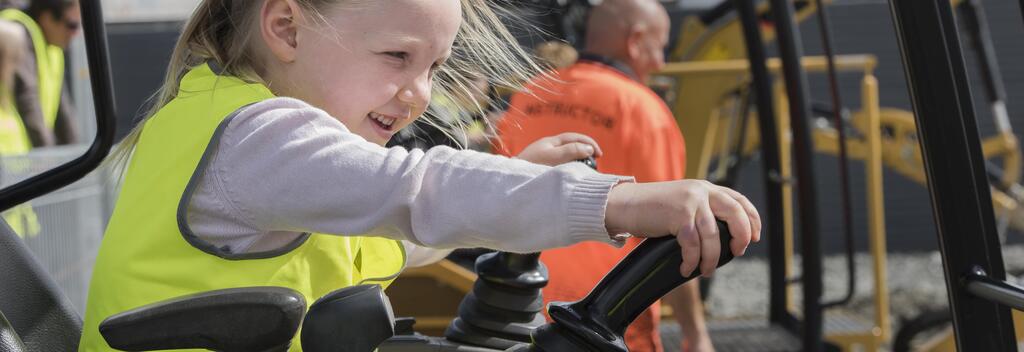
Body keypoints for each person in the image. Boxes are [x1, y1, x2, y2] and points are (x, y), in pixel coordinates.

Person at [79, 0, 761, 350]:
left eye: (433, 67)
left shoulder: (236, 126)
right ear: (285, 27)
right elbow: (416, 192)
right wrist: (620, 201)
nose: (421, 93)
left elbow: (388, 236)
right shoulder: (259, 136)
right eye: (397, 56)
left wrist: (509, 177)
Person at [494, 1, 714, 351]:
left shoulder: (530, 93)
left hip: (517, 305)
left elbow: (495, 190)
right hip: (606, 316)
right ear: (636, 39)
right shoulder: (643, 109)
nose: (660, 62)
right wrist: (697, 334)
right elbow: (677, 232)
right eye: (660, 47)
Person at [0, 0, 80, 149]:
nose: (76, 33)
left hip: (24, 159)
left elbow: (64, 115)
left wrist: (80, 161)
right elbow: (27, 101)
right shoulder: (17, 31)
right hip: (14, 159)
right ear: (47, 18)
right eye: (72, 25)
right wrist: (47, 159)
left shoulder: (54, 49)